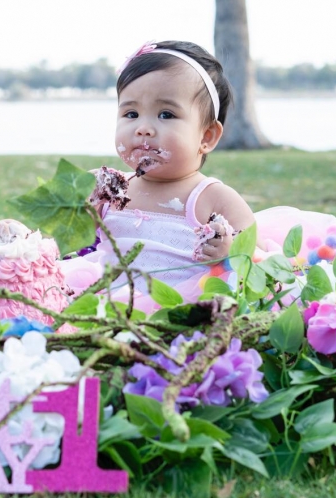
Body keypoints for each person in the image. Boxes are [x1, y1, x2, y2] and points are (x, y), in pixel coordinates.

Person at [77, 40, 255, 302]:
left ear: (206, 136)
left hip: (180, 308)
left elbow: (253, 259)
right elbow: (77, 243)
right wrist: (86, 212)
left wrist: (229, 251)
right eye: (131, 113)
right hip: (109, 306)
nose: (143, 128)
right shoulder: (109, 191)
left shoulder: (213, 198)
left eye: (166, 115)